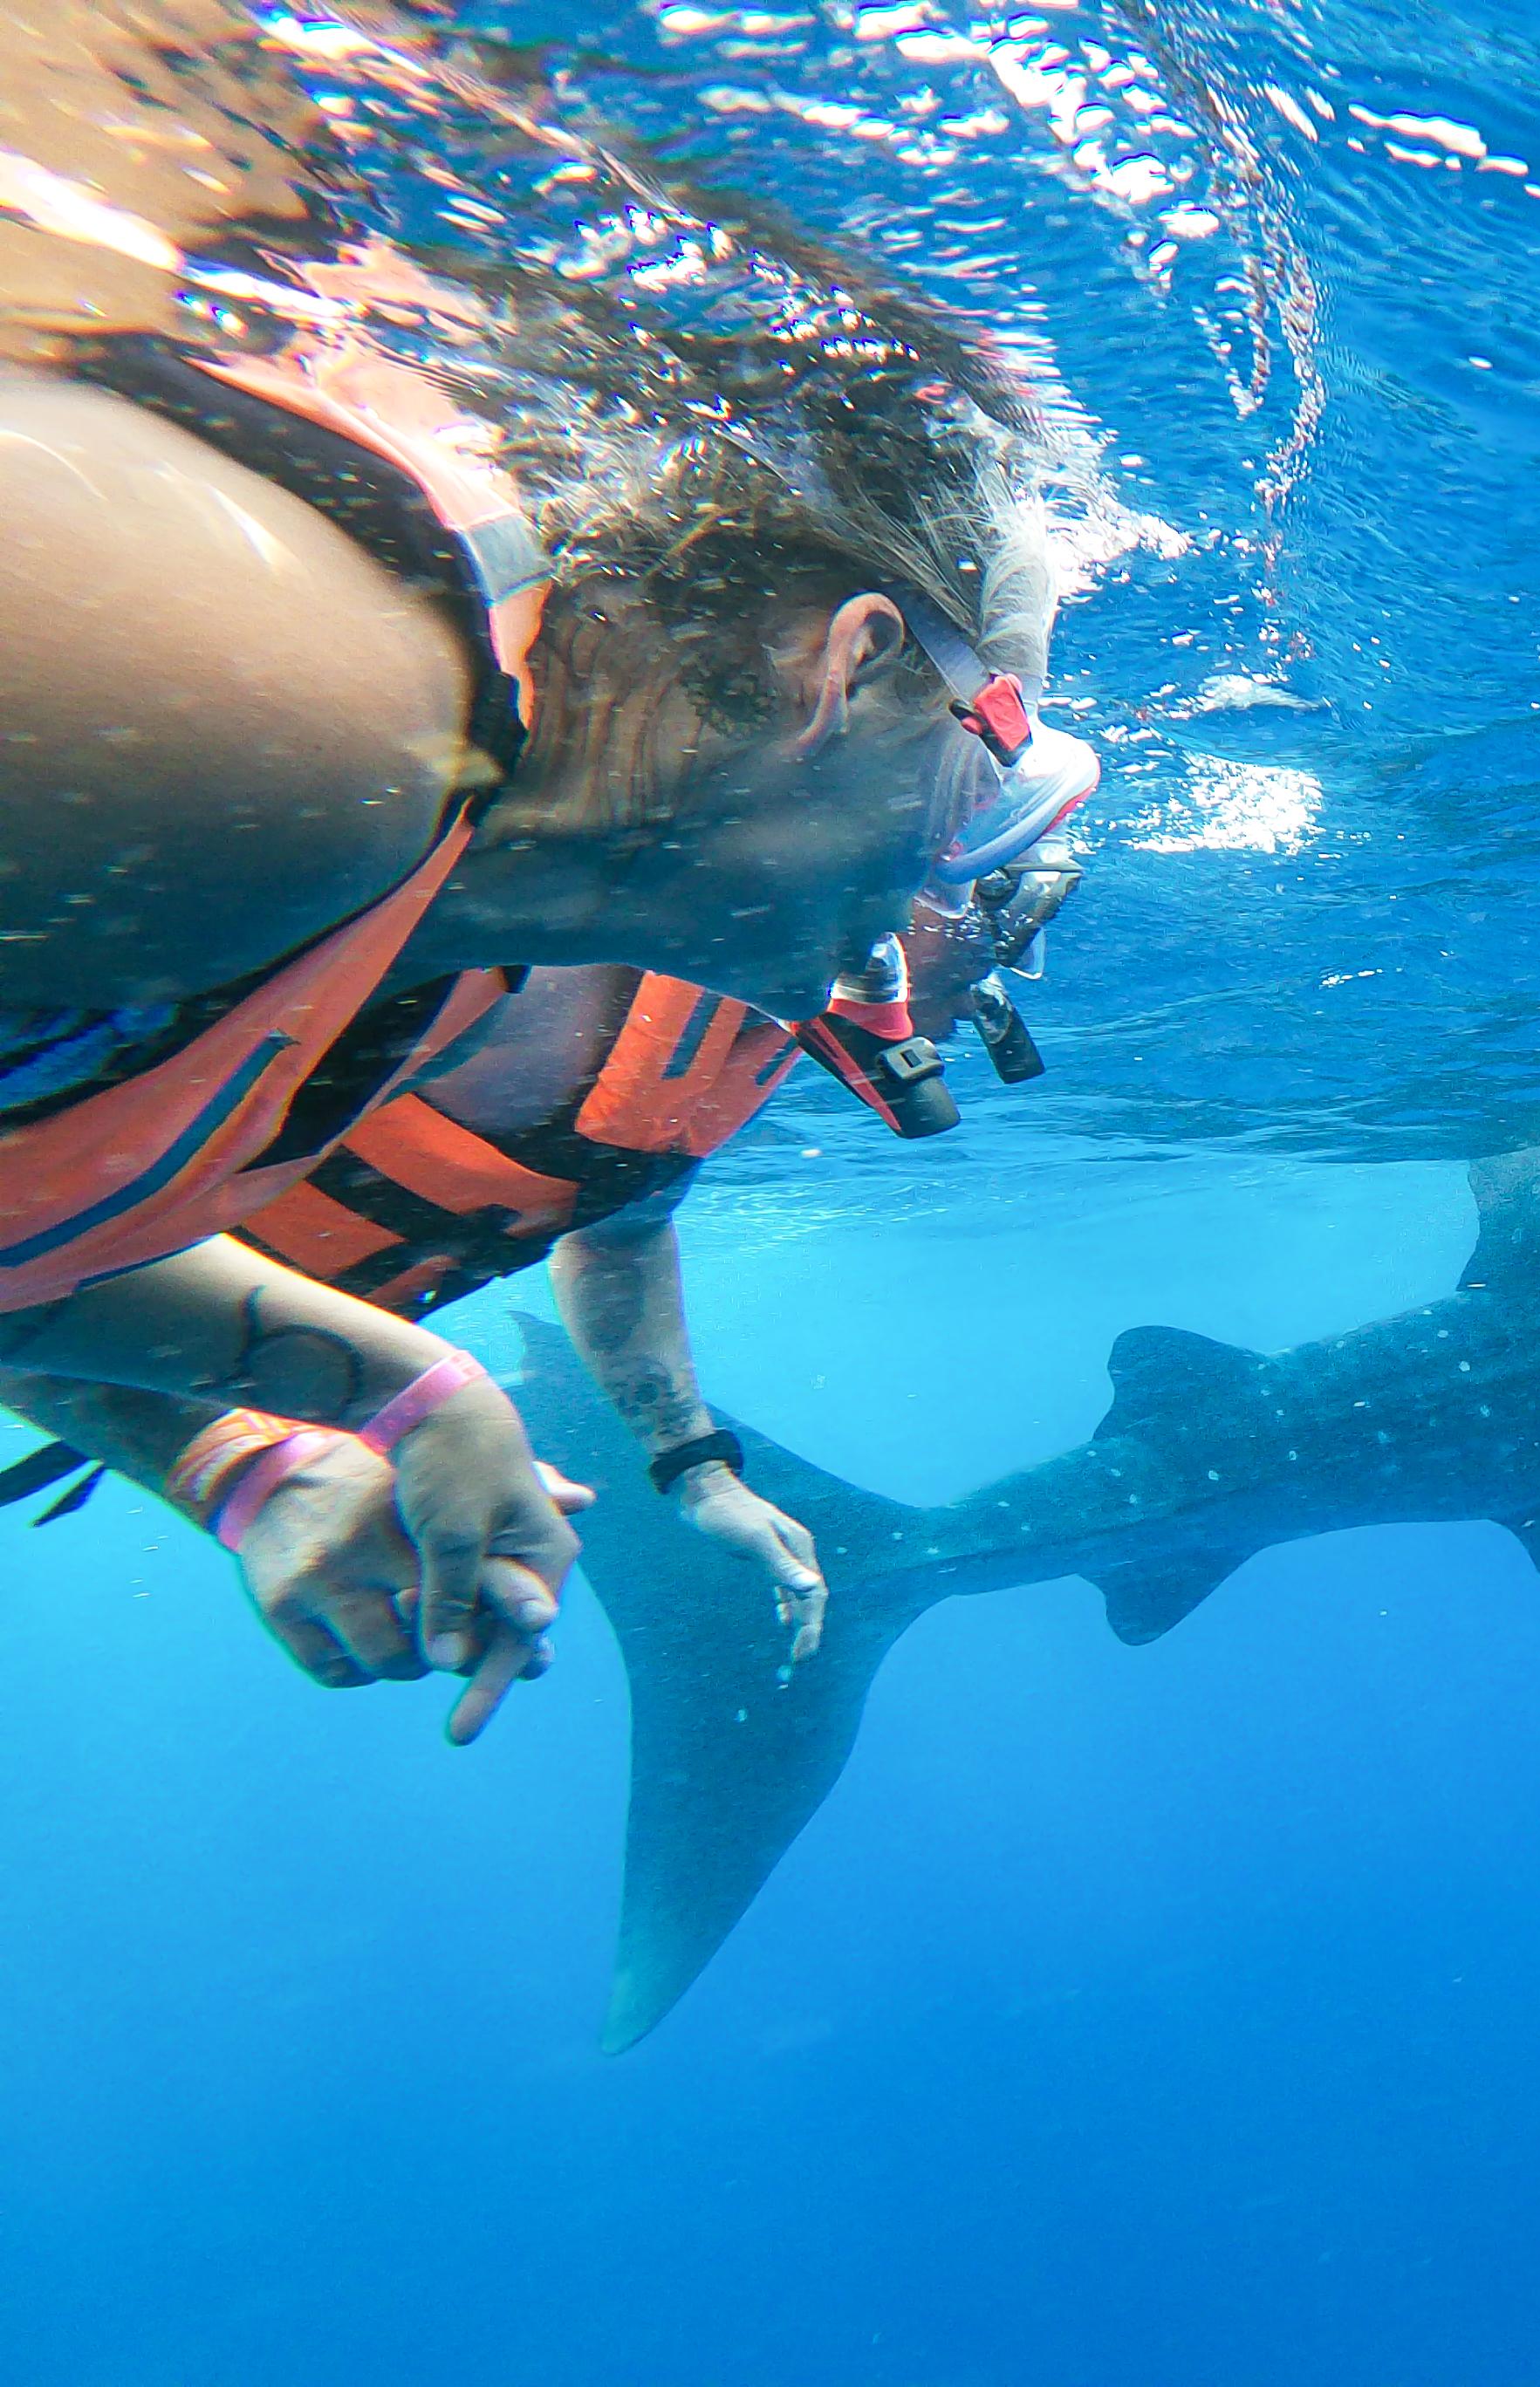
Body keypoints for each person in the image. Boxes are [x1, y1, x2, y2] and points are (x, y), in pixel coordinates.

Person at [0, 0, 1073, 1720]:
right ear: (847, 665)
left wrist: (401, 1399)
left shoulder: (418, 923)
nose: (965, 877)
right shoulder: (292, 721)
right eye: (1000, 775)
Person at [0, 839, 1079, 1712]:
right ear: (891, 876)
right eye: (1001, 917)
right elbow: (27, 1236)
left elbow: (618, 1235)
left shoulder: (738, 1021)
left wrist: (695, 1469)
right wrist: (244, 1473)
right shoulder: (527, 985)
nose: (1008, 963)